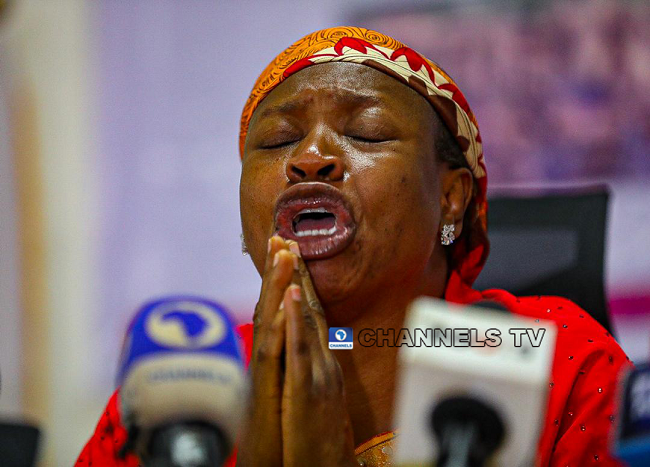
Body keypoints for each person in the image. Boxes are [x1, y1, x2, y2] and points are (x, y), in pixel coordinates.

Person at [76, 26, 631, 467]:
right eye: (277, 141)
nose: (310, 158)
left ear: (452, 198)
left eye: (366, 132)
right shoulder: (182, 386)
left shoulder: (556, 361)